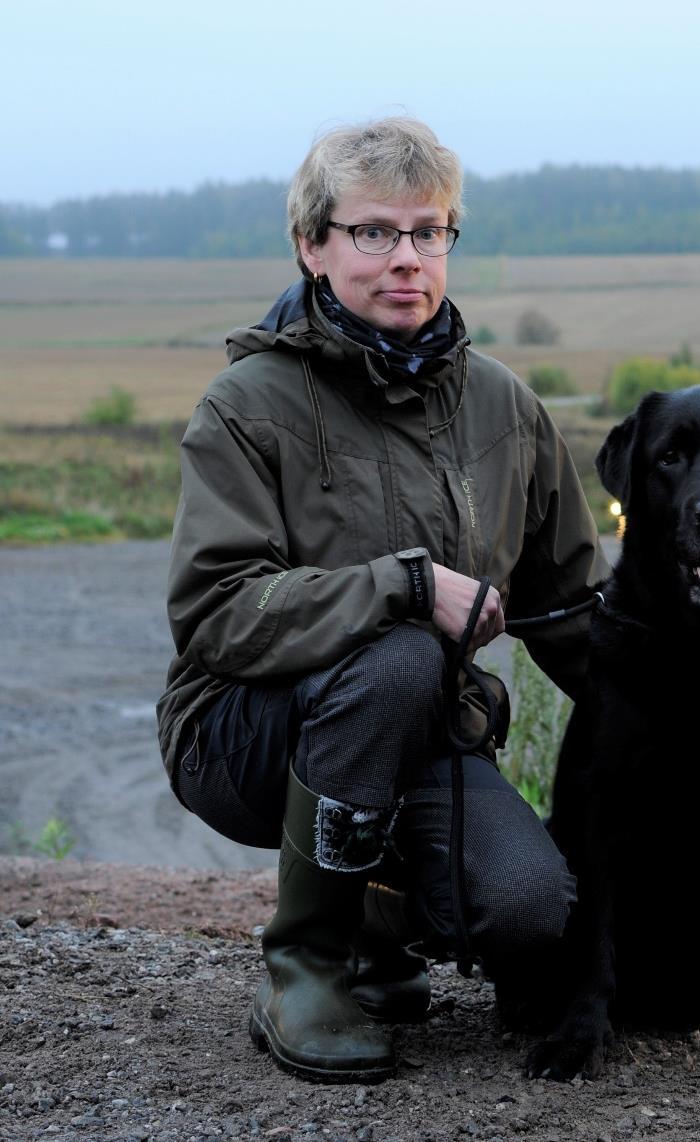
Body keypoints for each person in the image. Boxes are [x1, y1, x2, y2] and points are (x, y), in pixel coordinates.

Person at [157, 116, 609, 1083]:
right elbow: (216, 615)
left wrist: (695, 694)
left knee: (532, 912)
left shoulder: (505, 407)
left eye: (430, 231)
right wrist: (401, 587)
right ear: (313, 247)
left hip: (426, 732)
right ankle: (305, 967)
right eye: (374, 233)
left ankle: (372, 916)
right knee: (399, 650)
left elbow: (571, 611)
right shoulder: (247, 407)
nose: (407, 258)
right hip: (244, 732)